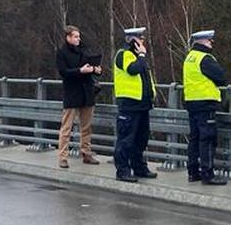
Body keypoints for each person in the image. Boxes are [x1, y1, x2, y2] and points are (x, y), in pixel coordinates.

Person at [183, 30, 229, 185]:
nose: (212, 43)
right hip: (205, 103)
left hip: (191, 102)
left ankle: (193, 172)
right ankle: (207, 174)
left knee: (194, 138)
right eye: (210, 40)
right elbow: (221, 77)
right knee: (207, 139)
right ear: (202, 41)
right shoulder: (205, 58)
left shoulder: (190, 57)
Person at [112, 27, 157, 182]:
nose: (143, 42)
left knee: (141, 139)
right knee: (126, 139)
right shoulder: (124, 54)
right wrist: (142, 55)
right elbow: (133, 70)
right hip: (129, 104)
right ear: (133, 41)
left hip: (142, 104)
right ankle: (123, 170)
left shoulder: (137, 56)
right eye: (141, 39)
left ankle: (139, 167)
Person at [55, 25, 102, 169]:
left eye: (78, 36)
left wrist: (95, 69)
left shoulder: (83, 49)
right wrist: (80, 70)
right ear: (68, 37)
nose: (78, 39)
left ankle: (86, 153)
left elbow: (92, 67)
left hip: (87, 92)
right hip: (72, 92)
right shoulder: (62, 53)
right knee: (66, 128)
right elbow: (63, 72)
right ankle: (63, 157)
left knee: (86, 127)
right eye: (75, 36)